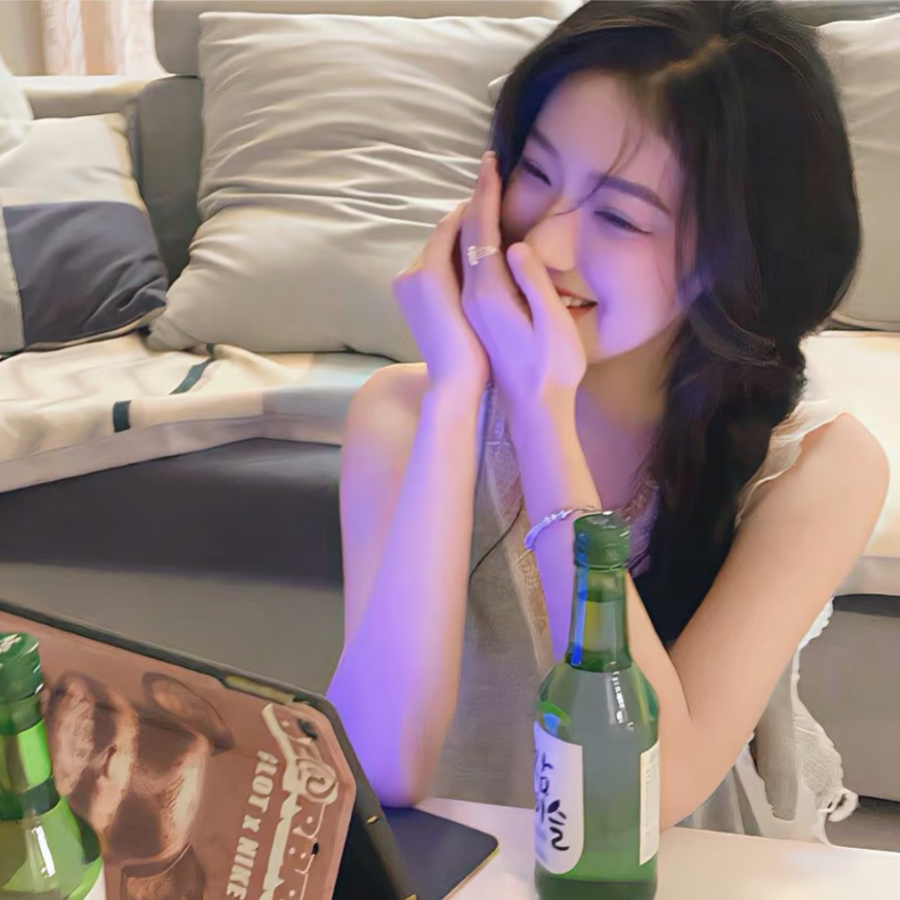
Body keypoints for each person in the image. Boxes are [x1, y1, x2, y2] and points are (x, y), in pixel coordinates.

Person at [327, 0, 888, 839]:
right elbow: (377, 765)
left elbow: (652, 787)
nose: (541, 247)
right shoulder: (403, 415)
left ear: (741, 255)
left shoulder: (818, 464)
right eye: (535, 173)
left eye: (621, 216)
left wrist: (542, 418)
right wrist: (454, 399)